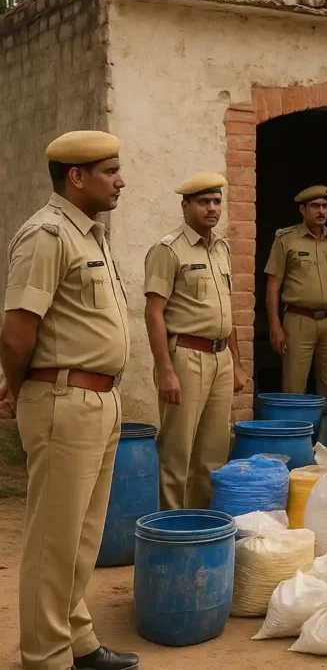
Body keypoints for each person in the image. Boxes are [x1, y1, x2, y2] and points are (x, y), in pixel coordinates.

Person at [1, 130, 138, 670]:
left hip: (99, 400)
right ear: (75, 177)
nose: (121, 180)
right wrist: (18, 384)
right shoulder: (46, 235)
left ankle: (75, 638)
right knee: (53, 542)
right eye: (110, 171)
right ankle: (44, 655)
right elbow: (16, 332)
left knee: (82, 538)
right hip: (63, 398)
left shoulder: (92, 234)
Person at [145, 172, 248, 511]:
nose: (212, 208)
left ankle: (200, 528)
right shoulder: (168, 250)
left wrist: (236, 364)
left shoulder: (221, 248)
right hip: (186, 357)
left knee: (213, 455)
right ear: (185, 205)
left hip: (219, 359)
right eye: (204, 202)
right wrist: (165, 371)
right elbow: (154, 313)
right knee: (177, 454)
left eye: (217, 202)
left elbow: (226, 312)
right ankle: (170, 530)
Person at [264, 185, 327, 401]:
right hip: (298, 320)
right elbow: (273, 285)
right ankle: (297, 434)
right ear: (302, 210)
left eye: (324, 206)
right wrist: (274, 325)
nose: (321, 211)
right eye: (315, 206)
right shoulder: (286, 239)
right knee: (294, 388)